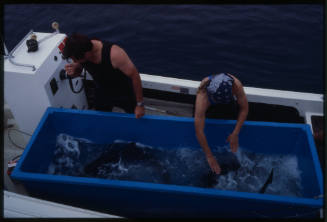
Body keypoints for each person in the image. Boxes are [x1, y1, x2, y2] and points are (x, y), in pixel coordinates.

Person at [62, 33, 145, 118]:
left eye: (76, 59)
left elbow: (135, 76)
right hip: (102, 91)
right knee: (100, 116)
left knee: (135, 116)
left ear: (86, 54)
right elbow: (82, 66)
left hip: (124, 93)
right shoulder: (82, 52)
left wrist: (140, 105)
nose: (75, 61)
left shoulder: (115, 55)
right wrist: (77, 68)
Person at [194, 73, 249, 174]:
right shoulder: (202, 94)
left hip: (228, 103)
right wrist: (209, 156)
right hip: (211, 104)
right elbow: (199, 131)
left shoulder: (236, 84)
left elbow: (244, 109)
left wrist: (235, 133)